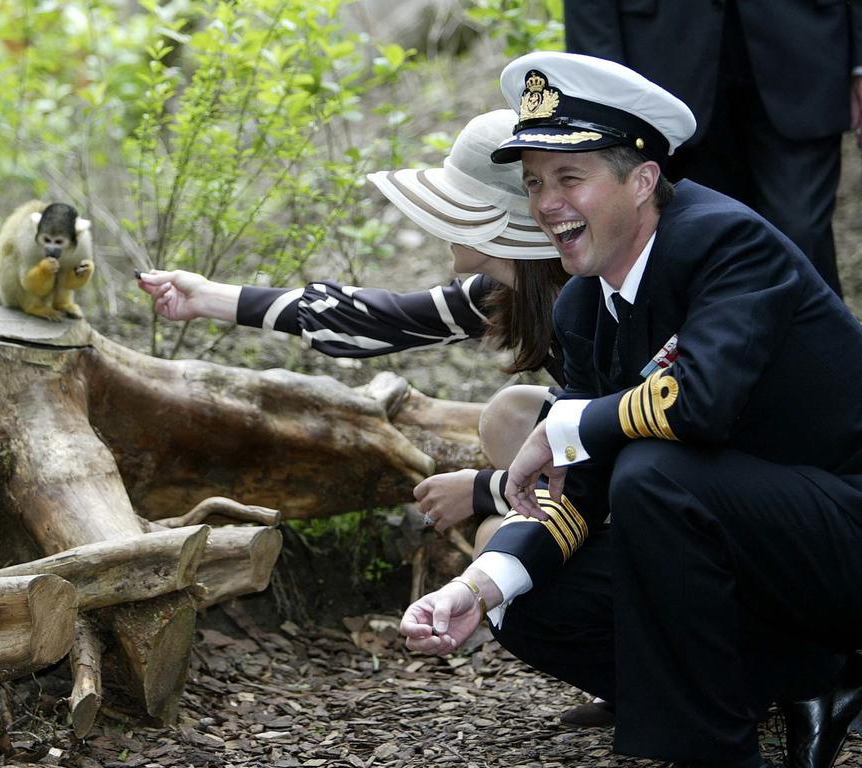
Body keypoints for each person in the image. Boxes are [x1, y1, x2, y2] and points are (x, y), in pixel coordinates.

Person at [400, 51, 862, 768]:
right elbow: (576, 494)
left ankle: (713, 750)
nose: (546, 203)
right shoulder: (587, 306)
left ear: (643, 180)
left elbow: (699, 402)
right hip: (754, 556)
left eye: (569, 178)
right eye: (533, 183)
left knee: (653, 473)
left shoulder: (724, 242)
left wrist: (563, 424)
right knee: (527, 602)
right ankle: (786, 692)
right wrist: (475, 585)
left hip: (842, 539)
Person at [137, 109, 568, 534]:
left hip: (624, 471)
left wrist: (483, 489)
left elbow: (623, 434)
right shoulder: (500, 293)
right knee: (509, 417)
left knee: (496, 529)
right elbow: (376, 319)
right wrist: (207, 296)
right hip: (600, 456)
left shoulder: (582, 297)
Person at [561, 0, 862, 296]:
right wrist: (598, 84)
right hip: (661, 64)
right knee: (697, 245)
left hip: (806, 52)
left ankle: (812, 345)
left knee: (801, 234)